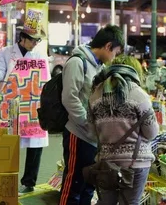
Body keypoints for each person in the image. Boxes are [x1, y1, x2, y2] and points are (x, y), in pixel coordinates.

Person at [59, 25, 124, 205]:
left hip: (94, 137)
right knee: (73, 184)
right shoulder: (77, 62)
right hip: (78, 134)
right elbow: (69, 98)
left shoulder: (99, 66)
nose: (114, 58)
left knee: (88, 184)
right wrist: (87, 125)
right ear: (108, 46)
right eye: (115, 52)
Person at [89, 55, 159, 204]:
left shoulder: (95, 95)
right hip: (136, 163)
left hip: (106, 163)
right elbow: (151, 133)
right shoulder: (139, 95)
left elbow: (91, 132)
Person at [0, 29, 48, 195]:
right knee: (11, 143)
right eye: (33, 40)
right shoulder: (5, 52)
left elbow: (44, 79)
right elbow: (0, 76)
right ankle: (7, 179)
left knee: (35, 144)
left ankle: (29, 182)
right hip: (13, 103)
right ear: (23, 39)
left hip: (33, 104)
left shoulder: (40, 55)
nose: (35, 44)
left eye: (37, 41)